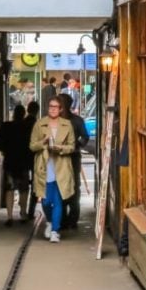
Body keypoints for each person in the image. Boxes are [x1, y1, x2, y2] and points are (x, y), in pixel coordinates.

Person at [30, 95, 75, 243]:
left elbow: (72, 147)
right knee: (46, 201)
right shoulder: (40, 124)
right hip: (44, 167)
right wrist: (43, 143)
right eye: (50, 107)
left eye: (55, 107)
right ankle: (49, 221)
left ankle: (55, 230)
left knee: (58, 201)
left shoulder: (67, 125)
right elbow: (32, 146)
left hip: (61, 168)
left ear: (61, 109)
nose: (53, 109)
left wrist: (60, 148)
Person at [0, 104, 31, 227]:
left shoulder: (6, 126)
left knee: (9, 189)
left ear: (14, 114)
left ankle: (9, 216)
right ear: (24, 114)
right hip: (24, 162)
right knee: (24, 189)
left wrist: (4, 149)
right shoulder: (27, 127)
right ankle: (23, 213)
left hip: (10, 161)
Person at [59, 93, 89, 229]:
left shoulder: (77, 121)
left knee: (74, 186)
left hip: (72, 157)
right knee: (60, 187)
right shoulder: (56, 120)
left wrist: (77, 147)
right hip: (59, 158)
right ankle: (63, 217)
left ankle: (73, 217)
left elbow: (85, 137)